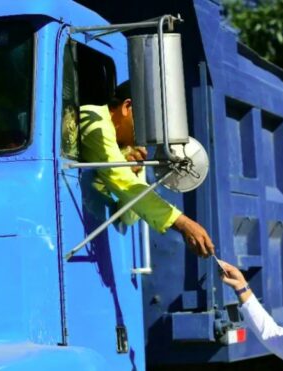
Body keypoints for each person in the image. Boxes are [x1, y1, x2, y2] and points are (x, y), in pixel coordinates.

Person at [79, 81, 214, 257]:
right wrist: (182, 222)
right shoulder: (94, 122)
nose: (148, 136)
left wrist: (135, 170)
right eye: (147, 125)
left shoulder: (123, 149)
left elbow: (129, 217)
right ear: (127, 107)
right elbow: (123, 182)